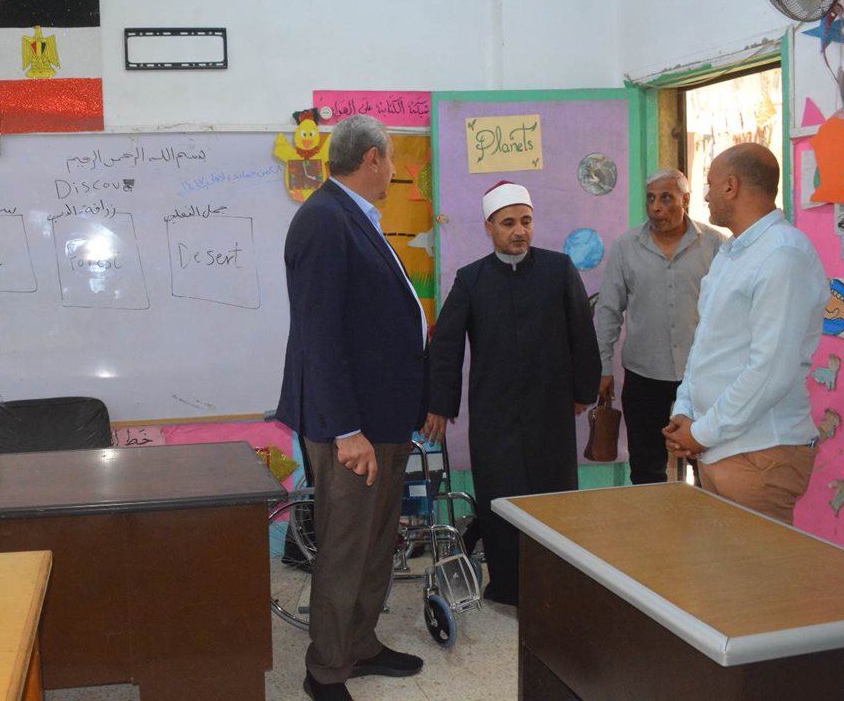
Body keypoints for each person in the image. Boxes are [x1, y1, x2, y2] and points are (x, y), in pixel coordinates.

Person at [276, 114, 427, 701]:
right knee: (345, 547)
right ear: (372, 158)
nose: (392, 171)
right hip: (352, 427)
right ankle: (326, 670)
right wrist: (345, 430)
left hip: (381, 418)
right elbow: (319, 335)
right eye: (390, 160)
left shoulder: (353, 217)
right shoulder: (324, 219)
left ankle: (360, 645)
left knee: (375, 541)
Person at [423, 181, 600, 606]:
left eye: (526, 221)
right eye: (508, 223)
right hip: (495, 413)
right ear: (489, 227)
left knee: (554, 501)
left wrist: (583, 390)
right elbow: (446, 345)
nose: (519, 231)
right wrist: (439, 406)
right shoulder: (471, 279)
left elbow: (582, 332)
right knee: (500, 501)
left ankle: (555, 585)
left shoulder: (559, 269)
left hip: (550, 409)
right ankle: (506, 587)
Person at [663, 143, 827, 525]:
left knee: (758, 566)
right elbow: (707, 346)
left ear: (731, 186)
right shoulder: (732, 252)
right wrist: (685, 411)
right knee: (716, 562)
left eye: (710, 185)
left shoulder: (783, 254)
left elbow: (771, 371)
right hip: (718, 447)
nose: (705, 196)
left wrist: (701, 432)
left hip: (759, 452)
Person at [596, 169, 725, 484]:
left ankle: (705, 516)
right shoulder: (626, 246)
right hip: (644, 375)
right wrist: (603, 367)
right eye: (651, 199)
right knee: (646, 468)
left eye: (666, 198)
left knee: (708, 465)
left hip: (700, 375)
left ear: (686, 200)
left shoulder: (715, 244)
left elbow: (731, 311)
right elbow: (608, 310)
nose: (656, 207)